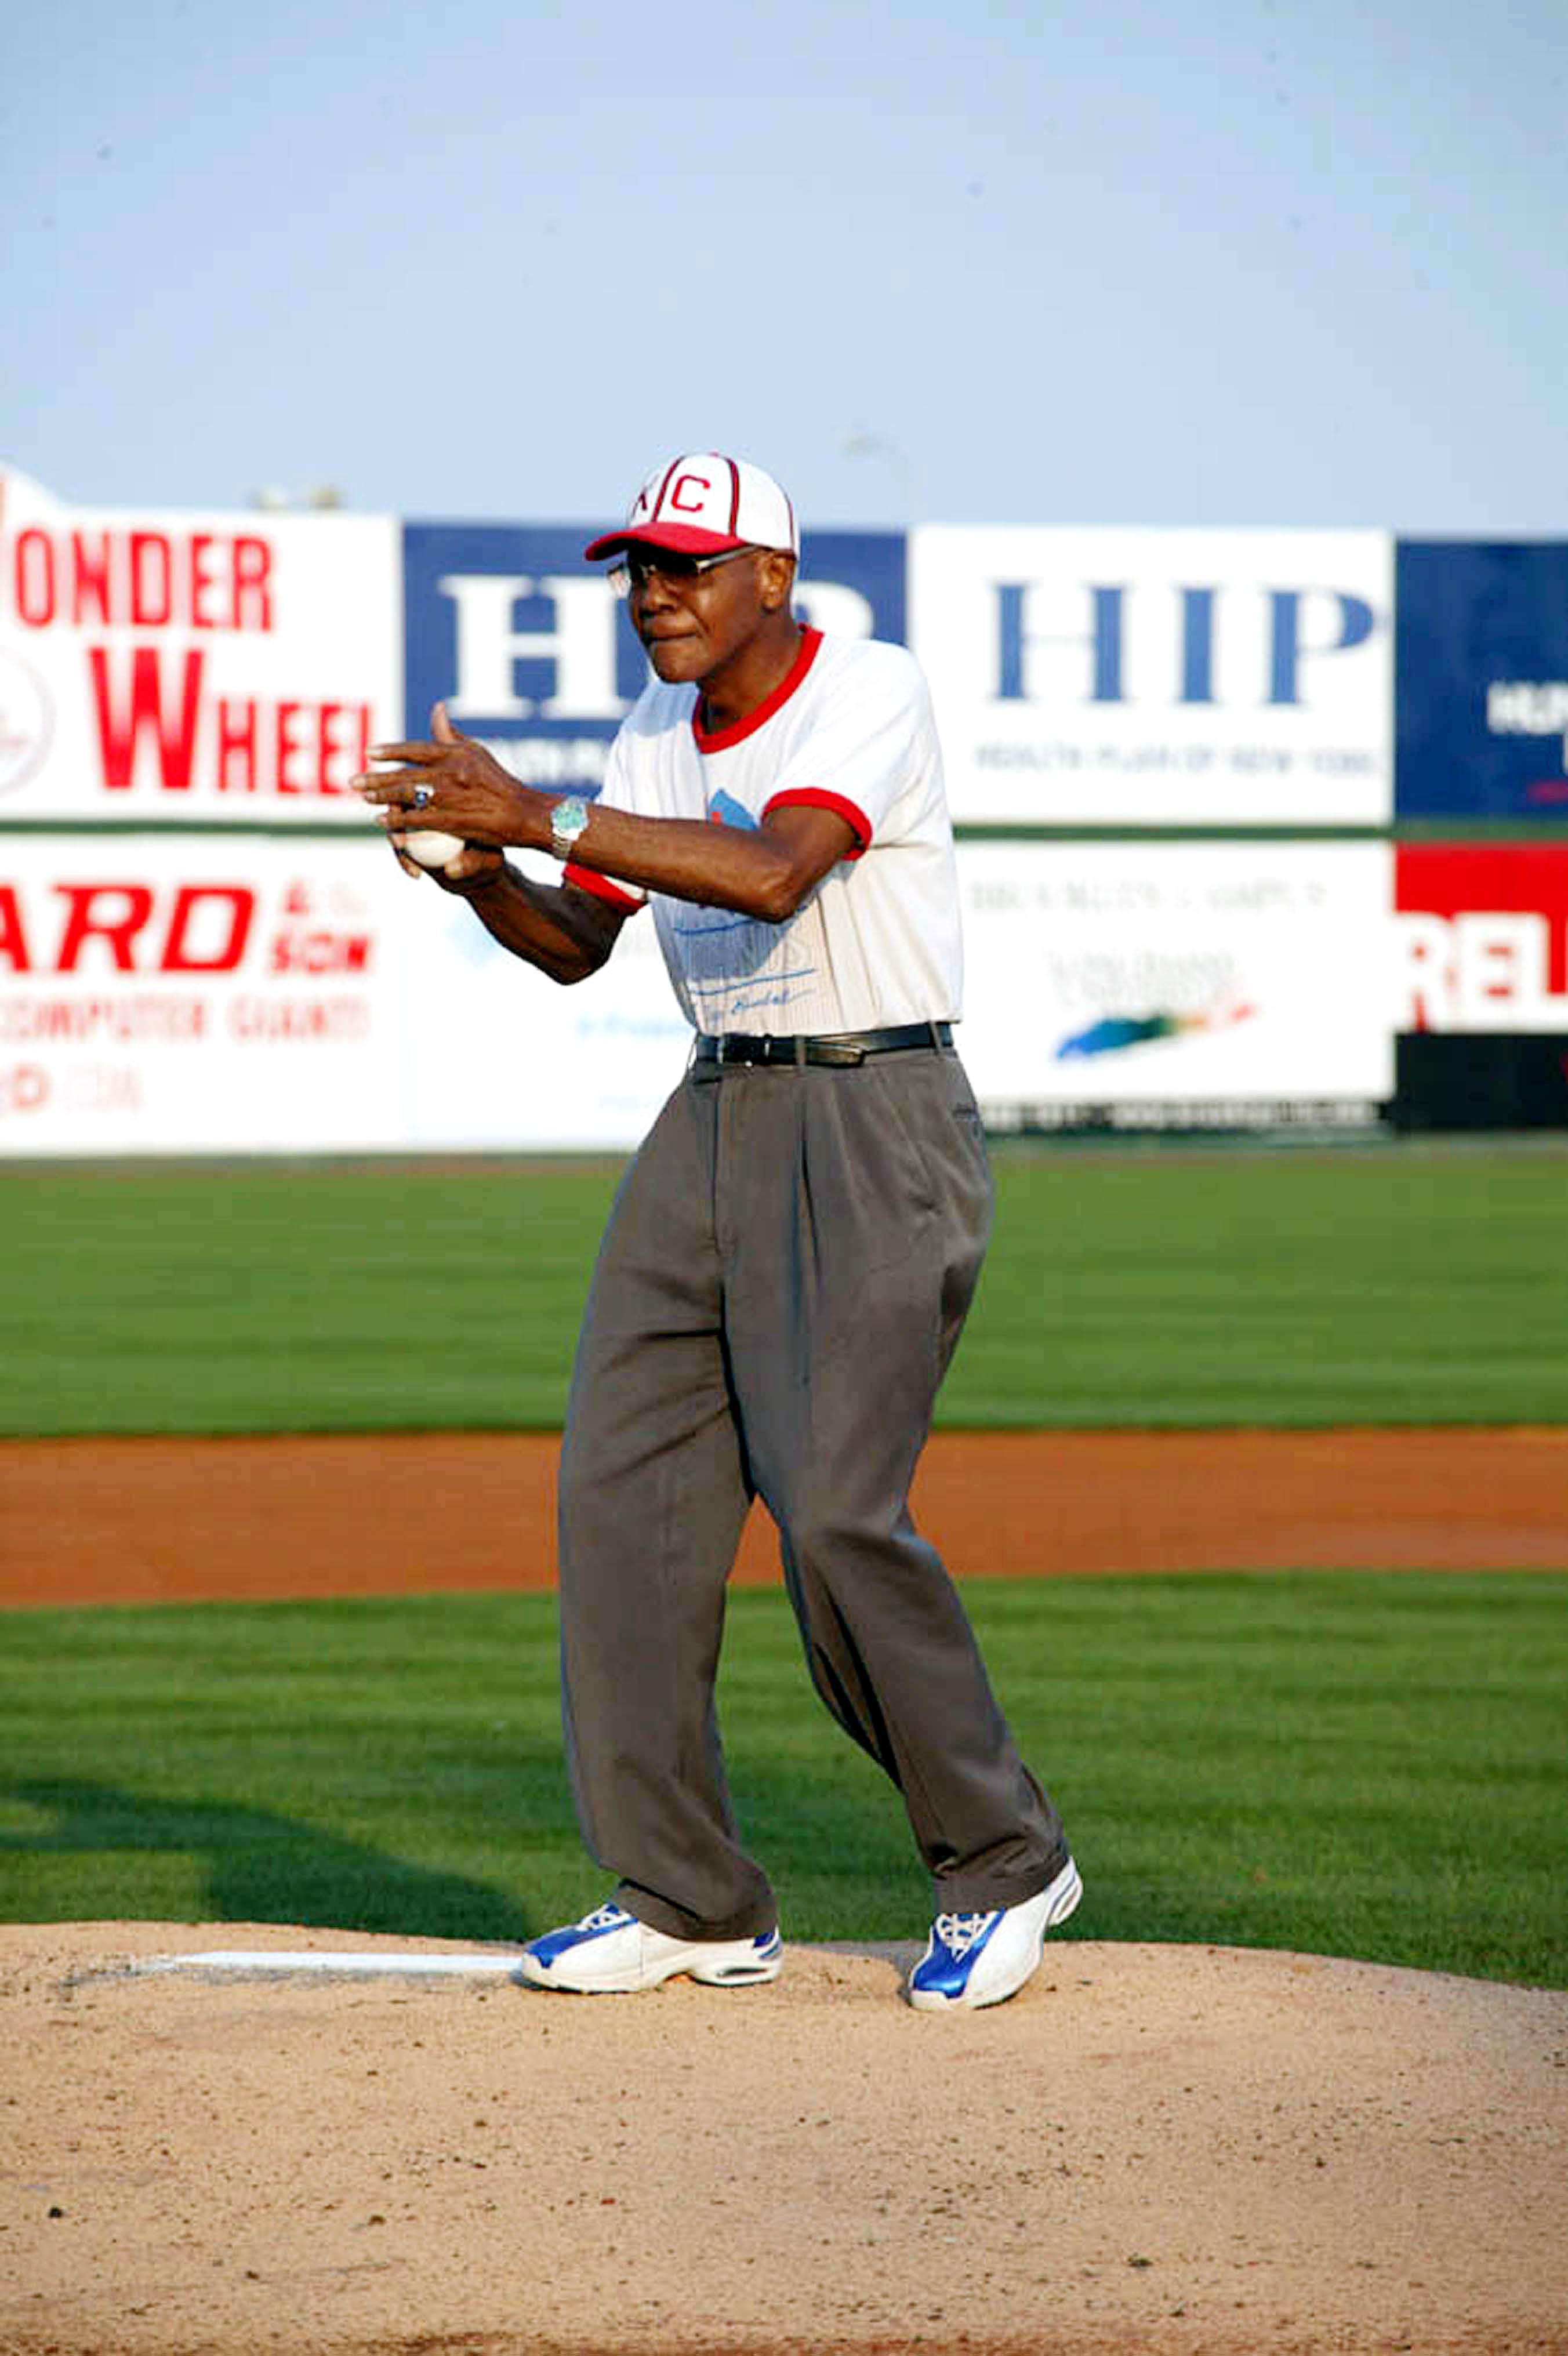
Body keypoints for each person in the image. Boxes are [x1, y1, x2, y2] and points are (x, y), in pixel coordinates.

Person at [356, 452, 1080, 2011]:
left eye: (689, 564)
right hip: (710, 1116)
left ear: (773, 578)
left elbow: (770, 876)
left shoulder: (865, 690)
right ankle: (684, 1893)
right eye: (639, 569)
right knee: (625, 1502)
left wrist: (540, 810)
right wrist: (490, 877)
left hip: (875, 1108)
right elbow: (574, 948)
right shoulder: (653, 732)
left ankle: (1004, 1859)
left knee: (832, 1513)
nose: (656, 593)